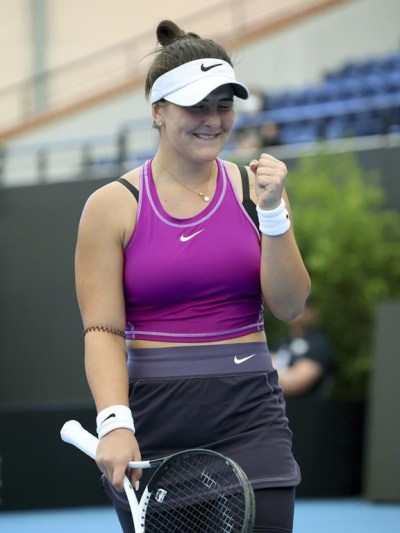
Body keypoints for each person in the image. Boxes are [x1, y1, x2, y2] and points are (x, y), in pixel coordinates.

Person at [75, 19, 310, 533]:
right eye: (195, 106)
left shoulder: (259, 192)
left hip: (251, 414)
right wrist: (115, 423)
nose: (213, 120)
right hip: (156, 424)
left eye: (223, 105)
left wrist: (273, 214)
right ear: (158, 112)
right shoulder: (110, 207)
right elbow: (103, 331)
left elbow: (290, 306)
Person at [271, 297, 334, 398]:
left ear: (313, 311)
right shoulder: (280, 342)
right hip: (277, 410)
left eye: (304, 306)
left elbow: (295, 383)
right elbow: (261, 375)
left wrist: (272, 375)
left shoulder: (319, 343)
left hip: (307, 410)